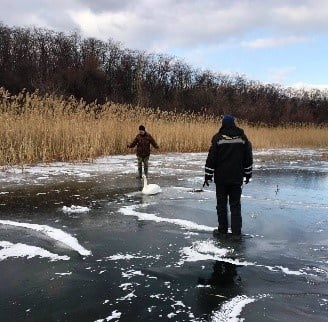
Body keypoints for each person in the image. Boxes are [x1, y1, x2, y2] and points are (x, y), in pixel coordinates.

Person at [204, 115, 253, 240]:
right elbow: (248, 158)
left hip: (221, 179)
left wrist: (208, 175)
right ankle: (236, 233)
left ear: (223, 124)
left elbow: (211, 159)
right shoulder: (242, 139)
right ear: (234, 124)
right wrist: (248, 174)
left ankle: (223, 231)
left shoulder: (218, 138)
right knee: (235, 205)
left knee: (221, 204)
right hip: (237, 178)